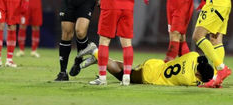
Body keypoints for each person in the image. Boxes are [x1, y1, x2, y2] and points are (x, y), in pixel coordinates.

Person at [77, 43, 214, 87]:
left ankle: (100, 58)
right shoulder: (189, 79)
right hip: (150, 76)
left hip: (155, 64)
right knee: (122, 75)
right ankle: (95, 52)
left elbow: (199, 57)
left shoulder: (193, 56)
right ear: (198, 74)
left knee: (127, 69)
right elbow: (204, 83)